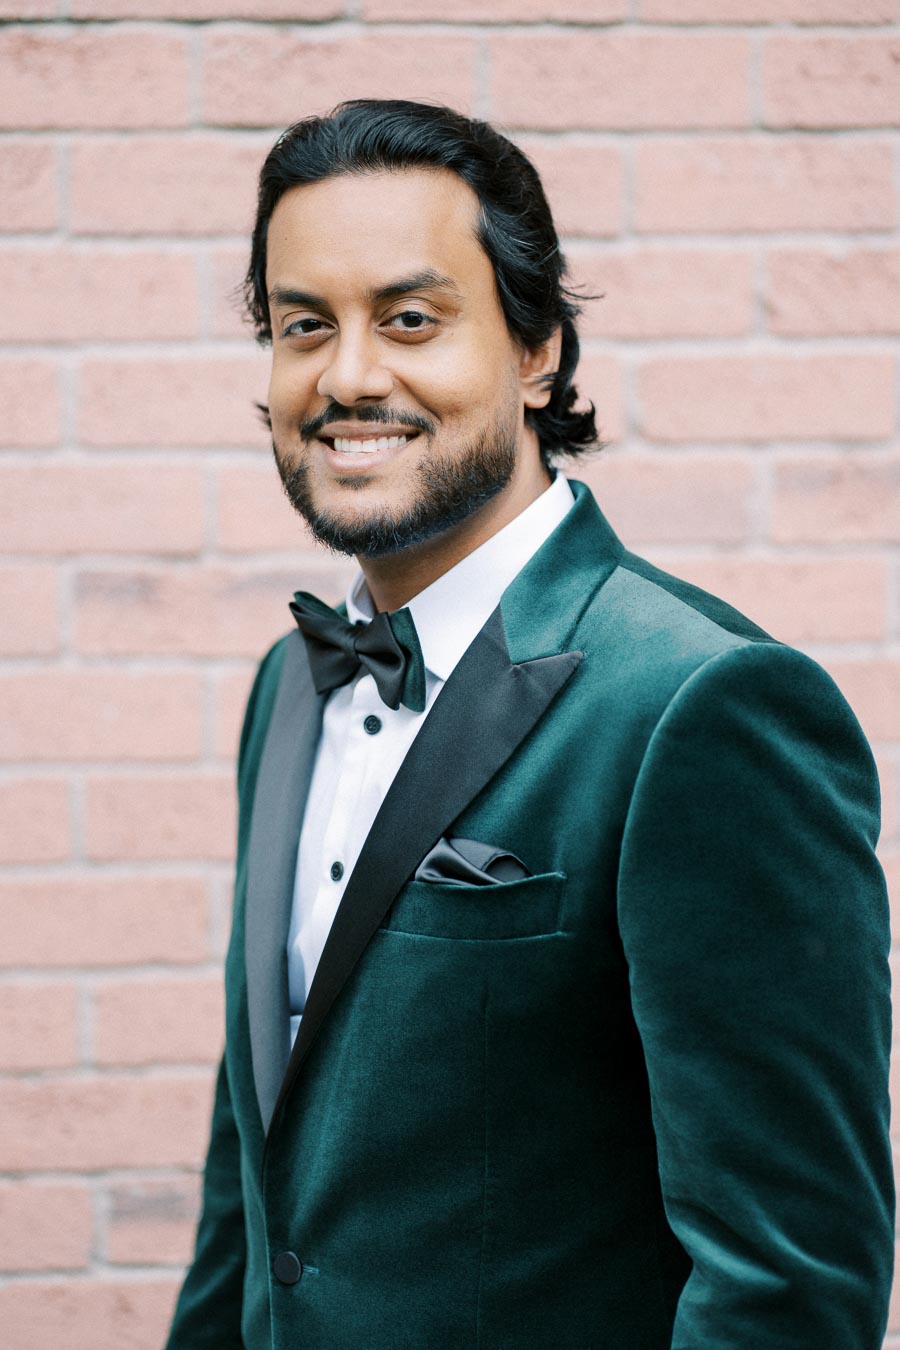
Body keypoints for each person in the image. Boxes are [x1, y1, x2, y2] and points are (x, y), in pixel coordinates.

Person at [165, 99, 893, 1350]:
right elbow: (256, 1181)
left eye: (410, 319)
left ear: (539, 348)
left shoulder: (701, 705)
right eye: (303, 327)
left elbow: (792, 1283)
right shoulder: (289, 689)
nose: (347, 377)